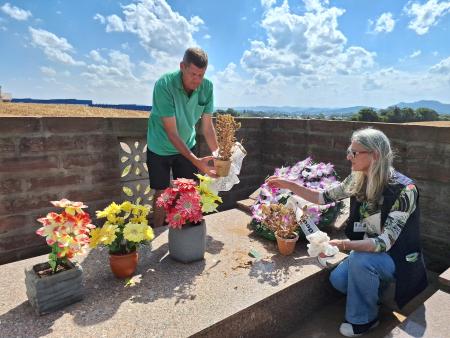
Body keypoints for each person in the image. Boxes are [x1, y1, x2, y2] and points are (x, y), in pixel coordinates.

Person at [266, 127, 428, 337]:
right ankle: (375, 290)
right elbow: (321, 198)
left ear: (375, 155)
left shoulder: (405, 190)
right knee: (338, 281)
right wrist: (289, 184)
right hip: (368, 251)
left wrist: (342, 245)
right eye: (349, 151)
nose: (348, 156)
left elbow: (383, 243)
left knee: (360, 260)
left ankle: (365, 320)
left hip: (396, 257)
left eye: (354, 152)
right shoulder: (357, 178)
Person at [147, 47, 218, 227]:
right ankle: (157, 232)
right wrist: (197, 161)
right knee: (162, 193)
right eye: (193, 74)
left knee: (187, 192)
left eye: (201, 75)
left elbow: (207, 127)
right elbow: (172, 132)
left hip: (187, 144)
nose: (197, 80)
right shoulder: (164, 85)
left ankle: (183, 234)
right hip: (160, 146)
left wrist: (219, 156)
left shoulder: (207, 87)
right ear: (182, 67)